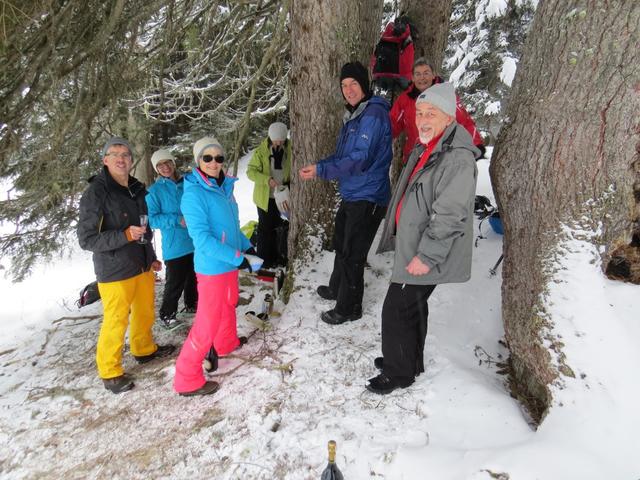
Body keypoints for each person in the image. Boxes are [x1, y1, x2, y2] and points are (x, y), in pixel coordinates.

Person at [367, 83, 478, 395]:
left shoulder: (455, 157)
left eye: (432, 113)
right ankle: (408, 361)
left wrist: (427, 256)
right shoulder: (430, 145)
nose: (423, 119)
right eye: (420, 112)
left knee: (396, 309)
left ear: (448, 117)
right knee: (412, 306)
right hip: (414, 243)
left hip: (426, 249)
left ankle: (398, 373)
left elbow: (450, 214)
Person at [77, 137, 175, 394]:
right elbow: (86, 239)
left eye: (125, 154)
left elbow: (144, 227)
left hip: (141, 264)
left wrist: (151, 255)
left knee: (144, 312)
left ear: (131, 161)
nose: (121, 158)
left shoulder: (136, 187)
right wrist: (123, 236)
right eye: (115, 154)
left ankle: (144, 350)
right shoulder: (96, 193)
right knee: (116, 320)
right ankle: (110, 372)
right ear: (105, 160)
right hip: (114, 269)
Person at [299, 61, 392, 325]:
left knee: (353, 254)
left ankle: (349, 308)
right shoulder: (353, 116)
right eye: (344, 85)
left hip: (369, 196)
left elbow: (360, 159)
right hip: (352, 193)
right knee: (341, 243)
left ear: (365, 85)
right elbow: (342, 156)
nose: (348, 89)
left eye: (353, 84)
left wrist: (322, 171)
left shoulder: (373, 114)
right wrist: (320, 167)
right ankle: (336, 288)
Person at [173, 136, 255, 396]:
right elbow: (204, 241)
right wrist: (238, 258)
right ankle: (187, 378)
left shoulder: (224, 187)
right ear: (198, 161)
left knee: (229, 303)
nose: (213, 162)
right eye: (207, 157)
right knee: (207, 321)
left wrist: (248, 247)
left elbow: (231, 228)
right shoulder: (194, 194)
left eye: (218, 157)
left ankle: (226, 343)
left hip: (229, 261)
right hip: (212, 267)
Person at [389, 58, 485, 164]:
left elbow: (463, 122)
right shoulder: (404, 100)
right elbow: (392, 123)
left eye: (426, 73)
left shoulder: (446, 97)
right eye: (418, 74)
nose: (422, 78)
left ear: (433, 75)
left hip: (442, 157)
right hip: (415, 157)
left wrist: (476, 145)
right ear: (412, 77)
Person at [146, 148, 198, 329]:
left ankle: (192, 305)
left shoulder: (188, 183)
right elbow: (152, 219)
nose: (165, 167)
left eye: (167, 162)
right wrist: (177, 220)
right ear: (156, 169)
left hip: (195, 239)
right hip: (174, 244)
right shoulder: (154, 191)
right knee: (175, 281)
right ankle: (167, 314)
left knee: (194, 276)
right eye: (160, 165)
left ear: (173, 163)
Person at [247, 122, 291, 268]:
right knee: (265, 229)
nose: (278, 143)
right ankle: (265, 261)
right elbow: (250, 172)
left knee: (280, 227)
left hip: (283, 196)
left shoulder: (290, 149)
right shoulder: (261, 151)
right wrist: (266, 180)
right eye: (276, 140)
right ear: (270, 137)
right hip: (264, 197)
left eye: (281, 140)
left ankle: (279, 256)